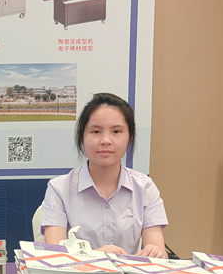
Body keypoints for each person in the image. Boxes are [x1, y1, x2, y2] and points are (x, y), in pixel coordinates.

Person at [41, 92, 168, 258]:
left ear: (129, 137)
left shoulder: (144, 187)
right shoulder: (59, 189)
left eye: (116, 131)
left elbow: (157, 251)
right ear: (82, 137)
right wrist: (93, 257)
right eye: (96, 131)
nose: (106, 140)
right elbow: (54, 256)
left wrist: (157, 254)